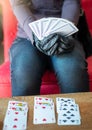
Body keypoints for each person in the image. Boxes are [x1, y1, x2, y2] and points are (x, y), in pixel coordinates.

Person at [9, 0, 89, 96]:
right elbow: (18, 4)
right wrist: (35, 35)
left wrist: (64, 33)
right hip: (27, 35)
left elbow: (72, 2)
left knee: (73, 75)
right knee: (24, 77)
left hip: (64, 35)